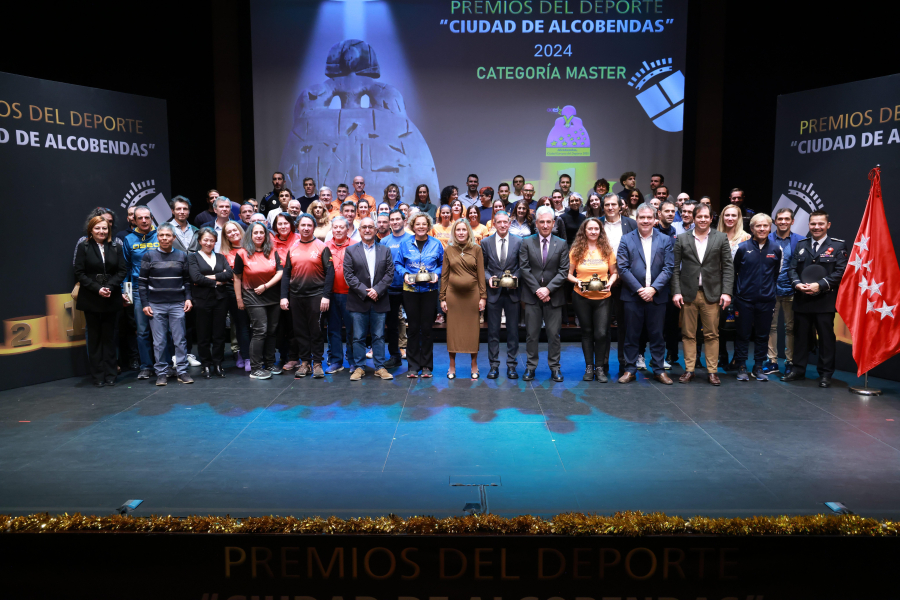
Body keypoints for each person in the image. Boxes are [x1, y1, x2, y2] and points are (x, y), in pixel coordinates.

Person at [782, 210, 848, 388]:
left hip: (824, 300)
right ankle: (798, 370)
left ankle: (826, 374)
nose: (816, 227)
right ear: (809, 225)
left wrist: (821, 284)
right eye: (813, 224)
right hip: (802, 298)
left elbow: (840, 272)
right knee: (801, 336)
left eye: (820, 224)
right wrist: (797, 284)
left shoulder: (838, 246)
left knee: (826, 338)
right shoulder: (801, 245)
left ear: (828, 225)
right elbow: (792, 269)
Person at [671, 203, 734, 386]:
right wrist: (675, 292)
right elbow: (675, 269)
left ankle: (712, 371)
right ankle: (689, 370)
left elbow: (728, 268)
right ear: (693, 217)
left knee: (712, 335)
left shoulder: (721, 238)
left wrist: (727, 292)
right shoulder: (682, 239)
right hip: (688, 294)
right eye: (699, 216)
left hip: (712, 294)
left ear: (711, 218)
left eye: (706, 216)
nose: (703, 219)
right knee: (688, 334)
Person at [614, 204, 674, 384]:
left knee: (657, 335)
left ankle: (658, 369)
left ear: (655, 218)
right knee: (631, 335)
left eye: (649, 217)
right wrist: (640, 289)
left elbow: (668, 267)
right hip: (633, 295)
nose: (646, 221)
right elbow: (622, 268)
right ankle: (630, 369)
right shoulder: (626, 239)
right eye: (642, 218)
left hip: (657, 295)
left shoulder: (665, 240)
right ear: (637, 219)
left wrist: (653, 289)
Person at [74, 215, 128, 386]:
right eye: (97, 228)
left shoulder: (116, 246)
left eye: (104, 228)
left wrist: (110, 288)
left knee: (109, 338)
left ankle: (111, 374)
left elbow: (122, 271)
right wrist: (97, 289)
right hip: (91, 297)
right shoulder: (84, 247)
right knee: (95, 338)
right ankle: (98, 376)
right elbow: (79, 273)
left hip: (111, 297)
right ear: (91, 229)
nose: (101, 231)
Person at [138, 222, 193, 386]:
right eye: (161, 235)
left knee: (180, 340)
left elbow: (187, 281)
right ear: (157, 237)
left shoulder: (182, 256)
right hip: (156, 304)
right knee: (159, 342)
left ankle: (182, 371)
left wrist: (188, 298)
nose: (164, 238)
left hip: (177, 303)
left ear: (173, 238)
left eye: (168, 235)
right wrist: (145, 303)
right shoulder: (149, 256)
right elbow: (142, 283)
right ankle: (161, 372)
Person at [519, 206, 570, 382]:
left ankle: (555, 368)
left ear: (554, 223)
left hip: (554, 296)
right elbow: (524, 269)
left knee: (553, 335)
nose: (546, 225)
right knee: (532, 334)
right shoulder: (526, 242)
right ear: (536, 223)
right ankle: (530, 367)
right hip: (532, 297)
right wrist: (538, 290)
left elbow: (564, 271)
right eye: (542, 222)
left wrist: (548, 289)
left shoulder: (562, 244)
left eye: (549, 222)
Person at [342, 217, 396, 381]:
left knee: (379, 336)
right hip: (359, 300)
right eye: (364, 227)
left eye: (370, 227)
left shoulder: (385, 250)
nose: (367, 230)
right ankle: (359, 367)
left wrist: (377, 290)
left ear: (375, 230)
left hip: (379, 300)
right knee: (357, 337)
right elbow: (348, 276)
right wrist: (366, 292)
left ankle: (380, 367)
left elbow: (389, 273)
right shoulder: (351, 250)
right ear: (359, 230)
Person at [280, 214, 332, 380]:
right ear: (298, 227)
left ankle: (317, 363)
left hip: (316, 296)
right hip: (296, 296)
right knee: (300, 331)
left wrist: (326, 296)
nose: (306, 228)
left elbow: (330, 273)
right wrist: (284, 296)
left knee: (316, 331)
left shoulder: (322, 247)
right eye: (303, 225)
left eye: (309, 225)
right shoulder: (292, 248)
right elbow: (286, 274)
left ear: (313, 227)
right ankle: (305, 363)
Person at [732, 213, 782, 382]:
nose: (762, 229)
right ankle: (741, 366)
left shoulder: (776, 249)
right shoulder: (741, 248)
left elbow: (776, 274)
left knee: (762, 335)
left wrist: (768, 292)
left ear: (770, 228)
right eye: (758, 226)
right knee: (743, 335)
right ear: (752, 228)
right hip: (744, 300)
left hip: (766, 301)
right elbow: (734, 271)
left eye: (765, 226)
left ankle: (758, 366)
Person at [567, 218, 617, 382]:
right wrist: (577, 281)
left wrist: (610, 283)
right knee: (587, 332)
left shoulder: (607, 249)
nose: (594, 231)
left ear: (600, 231)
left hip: (603, 297)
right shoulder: (576, 250)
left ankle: (600, 367)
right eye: (590, 229)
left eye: (596, 229)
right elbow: (568, 274)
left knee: (601, 333)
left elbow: (614, 272)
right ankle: (589, 367)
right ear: (585, 231)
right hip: (582, 296)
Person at [233, 221, 284, 380]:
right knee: (260, 330)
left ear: (266, 235)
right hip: (252, 296)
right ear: (250, 235)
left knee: (271, 331)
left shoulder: (273, 251)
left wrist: (266, 286)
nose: (259, 235)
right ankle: (256, 368)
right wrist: (239, 299)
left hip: (272, 296)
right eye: (255, 233)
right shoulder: (242, 253)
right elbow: (237, 277)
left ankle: (269, 363)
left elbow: (280, 272)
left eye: (262, 232)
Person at [396, 212, 444, 378]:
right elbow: (398, 263)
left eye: (424, 224)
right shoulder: (405, 243)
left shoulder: (436, 244)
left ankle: (426, 367)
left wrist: (437, 274)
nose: (421, 227)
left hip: (429, 291)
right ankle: (412, 366)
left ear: (428, 226)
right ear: (412, 226)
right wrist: (404, 275)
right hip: (410, 292)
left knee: (427, 329)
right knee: (414, 329)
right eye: (418, 224)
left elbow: (442, 264)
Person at [439, 218, 487, 379]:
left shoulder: (477, 249)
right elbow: (444, 276)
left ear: (469, 232)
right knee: (453, 331)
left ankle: (474, 364)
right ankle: (452, 366)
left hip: (472, 296)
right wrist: (442, 298)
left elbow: (481, 275)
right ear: (454, 232)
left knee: (473, 331)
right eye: (458, 230)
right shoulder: (448, 250)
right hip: (453, 297)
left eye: (464, 230)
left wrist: (483, 297)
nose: (461, 232)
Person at [763, 208, 805, 374]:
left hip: (791, 290)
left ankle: (790, 362)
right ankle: (772, 361)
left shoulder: (801, 241)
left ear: (792, 221)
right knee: (770, 327)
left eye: (787, 219)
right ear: (775, 221)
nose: (783, 222)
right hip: (770, 290)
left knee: (790, 328)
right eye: (780, 219)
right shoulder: (766, 239)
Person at [600, 193, 638, 375]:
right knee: (603, 324)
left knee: (625, 324)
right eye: (607, 204)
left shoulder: (631, 224)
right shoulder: (597, 224)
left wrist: (624, 275)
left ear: (620, 206)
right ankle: (603, 363)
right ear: (603, 206)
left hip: (626, 281)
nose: (610, 207)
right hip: (601, 281)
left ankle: (624, 362)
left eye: (613, 204)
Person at [188, 227, 233, 379]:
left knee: (219, 334)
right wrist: (217, 281)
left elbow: (229, 274)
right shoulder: (193, 257)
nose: (208, 243)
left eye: (211, 240)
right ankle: (206, 365)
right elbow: (195, 277)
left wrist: (210, 277)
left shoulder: (220, 257)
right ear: (200, 241)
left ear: (215, 242)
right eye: (205, 240)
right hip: (202, 301)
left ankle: (218, 364)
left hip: (220, 300)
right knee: (203, 334)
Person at [481, 210, 521, 379]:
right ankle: (494, 365)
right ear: (494, 223)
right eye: (499, 222)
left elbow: (522, 266)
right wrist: (488, 278)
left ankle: (512, 366)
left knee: (513, 331)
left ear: (509, 223)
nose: (503, 225)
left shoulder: (519, 242)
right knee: (493, 332)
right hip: (494, 292)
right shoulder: (485, 242)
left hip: (513, 293)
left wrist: (516, 277)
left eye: (506, 222)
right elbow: (482, 267)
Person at [123, 206, 159, 379]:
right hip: (138, 290)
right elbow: (126, 269)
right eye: (140, 218)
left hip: (160, 288)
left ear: (151, 218)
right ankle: (146, 366)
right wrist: (126, 292)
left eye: (147, 217)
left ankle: (164, 364)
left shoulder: (161, 235)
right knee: (143, 331)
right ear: (134, 220)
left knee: (163, 330)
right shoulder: (129, 240)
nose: (144, 221)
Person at [716, 203, 752, 369]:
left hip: (739, 286)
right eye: (727, 215)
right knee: (719, 323)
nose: (730, 218)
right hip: (717, 285)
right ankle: (721, 354)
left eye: (734, 215)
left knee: (739, 324)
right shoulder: (714, 235)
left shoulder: (746, 238)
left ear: (739, 218)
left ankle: (738, 358)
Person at [324, 216, 359, 374]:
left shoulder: (355, 246)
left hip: (350, 295)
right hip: (331, 294)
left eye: (341, 227)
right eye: (335, 227)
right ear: (331, 229)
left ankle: (353, 361)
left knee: (352, 330)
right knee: (333, 329)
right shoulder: (325, 247)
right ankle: (336, 361)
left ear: (347, 229)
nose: (338, 230)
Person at [382, 208, 413, 369]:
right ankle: (395, 356)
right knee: (392, 325)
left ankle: (414, 356)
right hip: (390, 288)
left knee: (413, 324)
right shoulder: (384, 241)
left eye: (397, 219)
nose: (394, 222)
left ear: (404, 221)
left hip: (410, 288)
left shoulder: (412, 239)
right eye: (392, 220)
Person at [220, 221, 252, 372]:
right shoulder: (224, 254)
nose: (233, 233)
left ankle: (255, 355)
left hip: (254, 290)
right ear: (225, 236)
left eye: (235, 230)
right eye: (229, 232)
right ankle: (245, 356)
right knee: (241, 325)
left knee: (256, 326)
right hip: (233, 292)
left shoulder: (251, 248)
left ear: (240, 230)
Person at [655, 200, 683, 366]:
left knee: (671, 322)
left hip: (671, 283)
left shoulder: (676, 233)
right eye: (667, 211)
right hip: (654, 283)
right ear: (659, 213)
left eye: (673, 211)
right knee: (653, 323)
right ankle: (645, 355)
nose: (671, 214)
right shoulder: (652, 231)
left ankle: (670, 355)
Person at [272, 213, 301, 371]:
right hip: (275, 288)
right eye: (279, 224)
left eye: (285, 223)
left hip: (294, 288)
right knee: (279, 326)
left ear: (291, 224)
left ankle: (294, 357)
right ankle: (283, 355)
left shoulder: (298, 239)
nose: (282, 226)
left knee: (293, 326)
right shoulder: (271, 241)